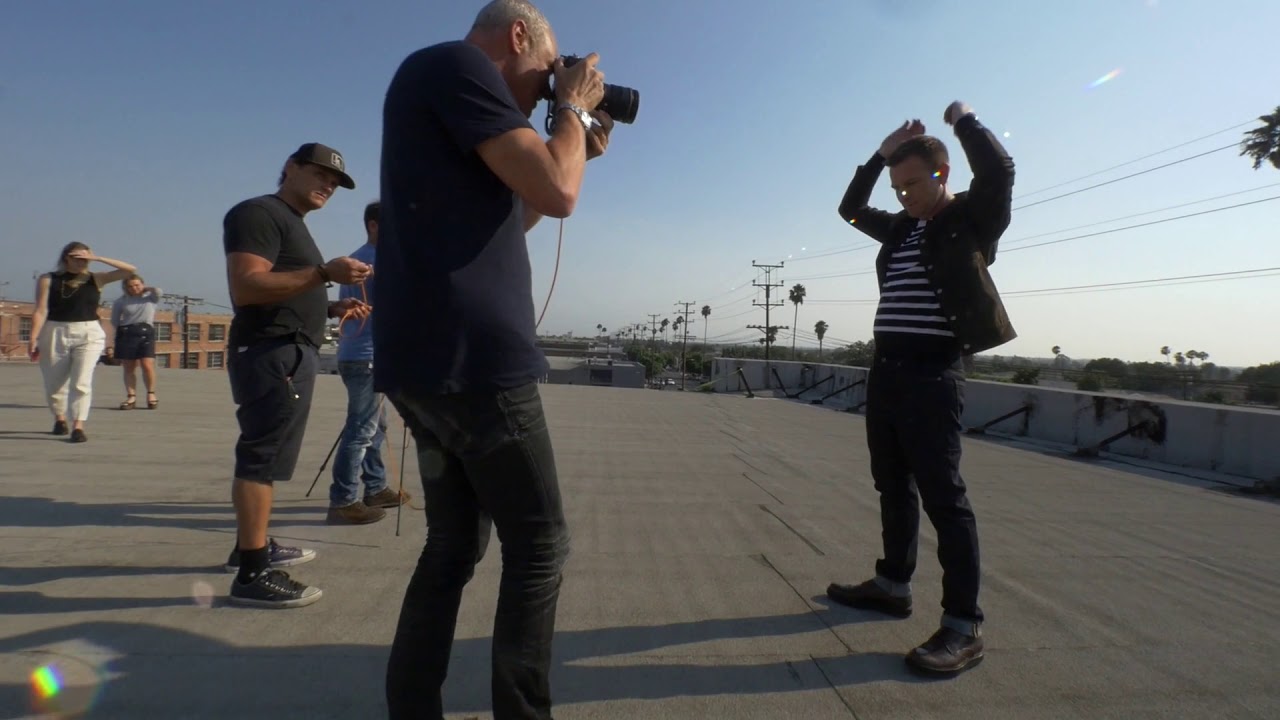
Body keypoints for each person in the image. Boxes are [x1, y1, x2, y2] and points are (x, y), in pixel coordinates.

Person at [374, 0, 614, 716]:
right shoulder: (459, 65)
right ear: (520, 37)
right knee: (540, 546)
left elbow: (523, 210)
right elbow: (556, 191)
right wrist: (568, 108)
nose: (550, 82)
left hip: (429, 367)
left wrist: (576, 145)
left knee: (452, 548)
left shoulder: (442, 91)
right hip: (477, 365)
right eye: (548, 66)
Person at [827, 101, 1016, 675]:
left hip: (934, 376)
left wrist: (964, 122)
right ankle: (892, 584)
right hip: (887, 373)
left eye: (913, 183)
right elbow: (850, 208)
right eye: (897, 184)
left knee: (945, 500)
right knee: (892, 484)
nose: (904, 194)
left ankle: (964, 627)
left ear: (942, 175)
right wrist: (879, 155)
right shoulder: (902, 226)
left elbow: (1000, 173)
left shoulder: (972, 219)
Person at [221, 142, 372, 609]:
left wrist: (328, 305)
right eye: (320, 173)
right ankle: (251, 573)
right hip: (272, 353)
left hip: (288, 350)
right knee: (260, 459)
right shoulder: (258, 214)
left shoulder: (292, 224)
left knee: (269, 457)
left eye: (336, 182)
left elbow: (283, 286)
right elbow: (247, 286)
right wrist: (324, 273)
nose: (328, 185)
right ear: (289, 168)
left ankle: (255, 543)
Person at [326, 200, 410, 525]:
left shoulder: (357, 257)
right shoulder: (376, 260)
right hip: (367, 357)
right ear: (373, 225)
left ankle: (375, 487)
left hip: (359, 354)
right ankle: (344, 500)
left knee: (376, 426)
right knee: (361, 430)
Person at [29, 242, 138, 443]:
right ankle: (60, 418)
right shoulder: (48, 279)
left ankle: (78, 425)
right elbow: (41, 310)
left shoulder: (96, 278)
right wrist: (33, 337)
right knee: (55, 382)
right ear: (66, 258)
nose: (81, 262)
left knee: (81, 381)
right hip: (55, 329)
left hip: (88, 332)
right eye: (77, 258)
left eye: (85, 259)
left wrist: (97, 258)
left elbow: (129, 270)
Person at [111, 274, 163, 410]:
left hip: (146, 332)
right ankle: (131, 396)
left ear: (142, 284)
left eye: (137, 285)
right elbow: (115, 320)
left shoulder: (150, 298)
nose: (134, 288)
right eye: (130, 286)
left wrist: (146, 289)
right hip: (127, 332)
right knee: (129, 367)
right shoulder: (121, 301)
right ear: (125, 288)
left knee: (147, 364)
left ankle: (151, 394)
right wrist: (124, 329)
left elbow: (158, 291)